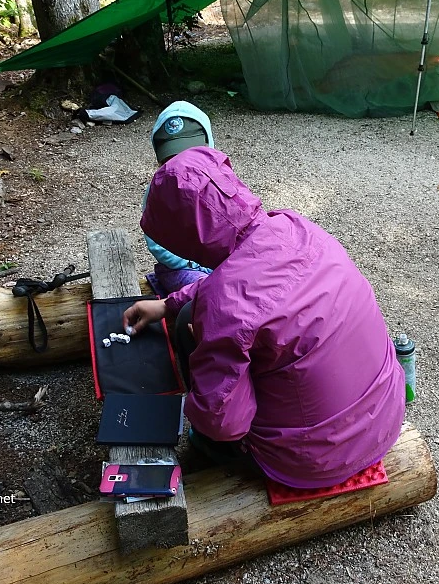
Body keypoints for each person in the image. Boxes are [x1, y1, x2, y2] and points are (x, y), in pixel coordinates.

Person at [123, 147, 405, 489]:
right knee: (195, 318)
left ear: (182, 234)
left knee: (189, 330)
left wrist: (196, 394)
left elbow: (224, 424)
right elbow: (244, 278)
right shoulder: (294, 226)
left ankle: (210, 454)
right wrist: (168, 304)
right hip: (385, 413)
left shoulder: (224, 305)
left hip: (315, 459)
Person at [143, 101, 216, 296]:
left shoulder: (219, 182)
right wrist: (192, 264)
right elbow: (156, 244)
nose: (182, 164)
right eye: (172, 158)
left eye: (190, 155)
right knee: (207, 291)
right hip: (180, 268)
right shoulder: (157, 190)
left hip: (218, 262)